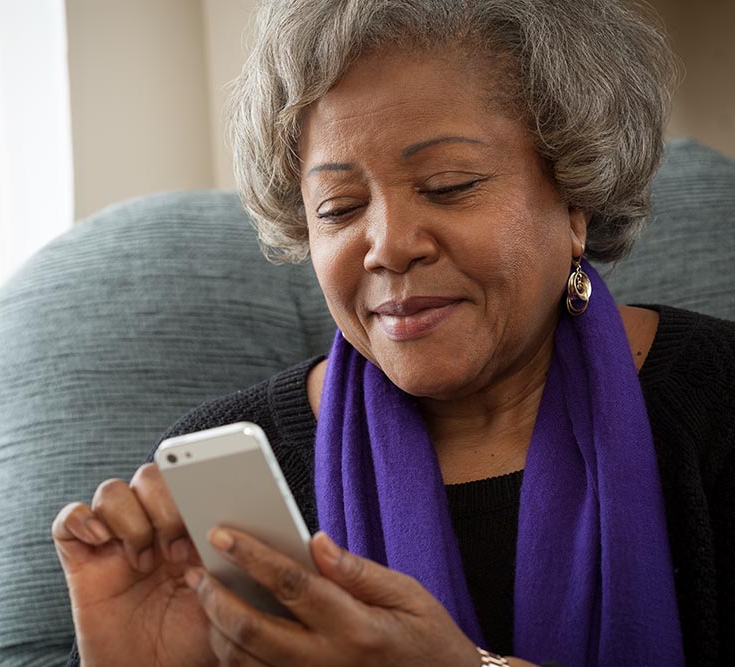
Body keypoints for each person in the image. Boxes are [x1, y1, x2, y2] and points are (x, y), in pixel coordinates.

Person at [52, 0, 735, 665]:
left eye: (448, 184)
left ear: (576, 196)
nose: (388, 245)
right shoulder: (209, 473)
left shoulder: (722, 400)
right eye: (339, 207)